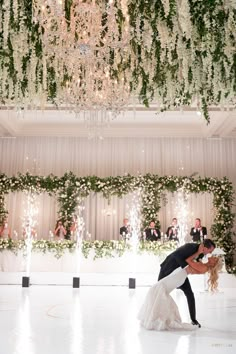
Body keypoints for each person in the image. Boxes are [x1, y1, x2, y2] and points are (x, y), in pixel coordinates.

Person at [138, 250, 222, 331]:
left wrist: (197, 252)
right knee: (159, 287)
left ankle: (156, 317)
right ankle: (156, 316)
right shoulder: (204, 265)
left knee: (160, 287)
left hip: (179, 275)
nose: (213, 256)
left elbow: (188, 260)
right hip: (179, 273)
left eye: (214, 258)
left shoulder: (204, 267)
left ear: (213, 263)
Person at [157, 239, 215, 328]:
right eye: (210, 251)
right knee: (159, 292)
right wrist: (187, 267)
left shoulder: (202, 253)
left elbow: (195, 262)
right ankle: (157, 317)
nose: (209, 253)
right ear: (204, 247)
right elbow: (176, 254)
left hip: (180, 274)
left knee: (190, 294)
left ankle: (194, 320)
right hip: (167, 269)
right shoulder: (189, 247)